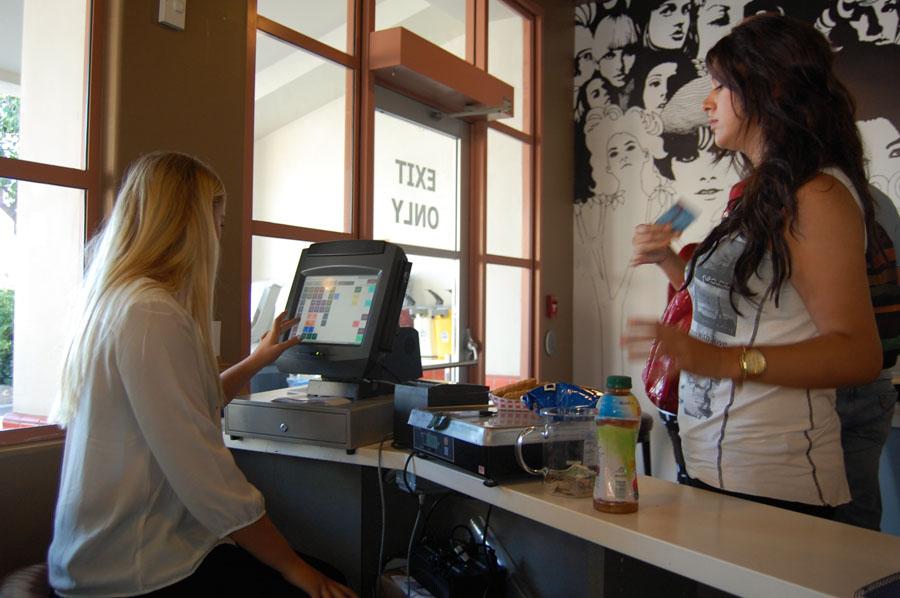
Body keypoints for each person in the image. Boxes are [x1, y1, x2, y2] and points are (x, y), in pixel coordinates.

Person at [47, 152, 356, 597]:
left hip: (96, 556)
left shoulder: (119, 301)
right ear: (190, 224)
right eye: (219, 222)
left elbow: (189, 403)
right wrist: (295, 569)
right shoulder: (152, 312)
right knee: (331, 578)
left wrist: (258, 359)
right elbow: (204, 474)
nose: (219, 235)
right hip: (131, 569)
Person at [625, 14, 882, 519]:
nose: (707, 101)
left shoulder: (819, 196)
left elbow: (858, 353)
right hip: (713, 464)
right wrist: (669, 264)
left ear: (771, 87)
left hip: (773, 480)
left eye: (720, 86)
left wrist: (724, 362)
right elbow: (744, 308)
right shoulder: (766, 193)